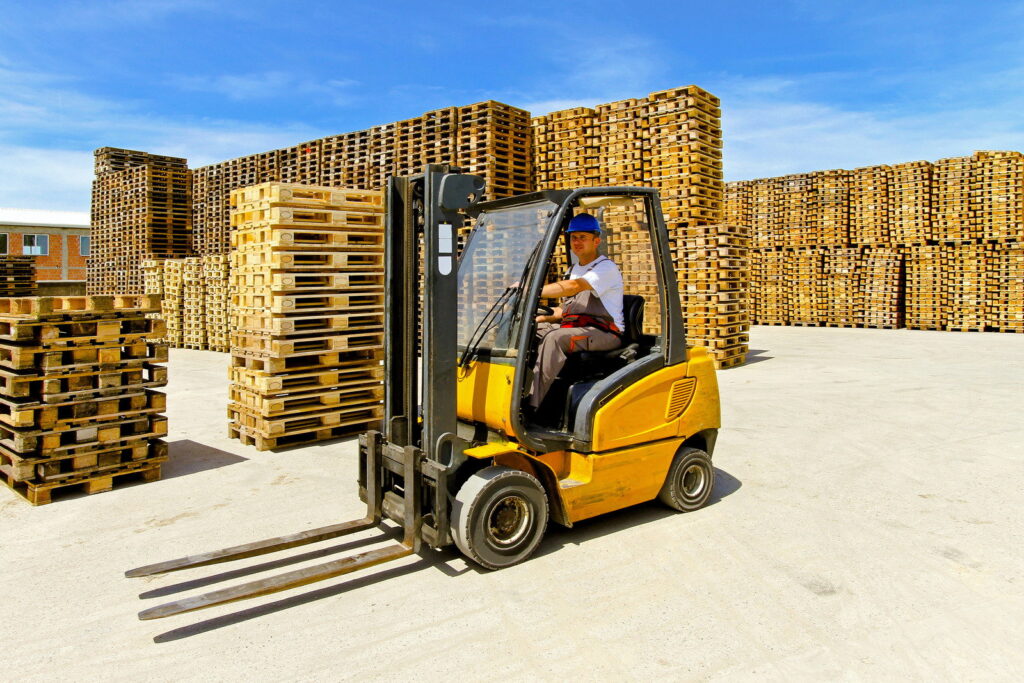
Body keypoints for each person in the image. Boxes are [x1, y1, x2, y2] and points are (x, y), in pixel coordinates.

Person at [527, 212, 624, 413]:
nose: (577, 242)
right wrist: (540, 317)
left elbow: (572, 287)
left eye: (583, 237)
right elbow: (564, 310)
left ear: (596, 241)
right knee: (528, 329)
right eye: (574, 237)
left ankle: (531, 407)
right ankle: (522, 388)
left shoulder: (604, 268)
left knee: (555, 338)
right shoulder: (573, 269)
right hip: (578, 328)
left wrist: (529, 290)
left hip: (605, 333)